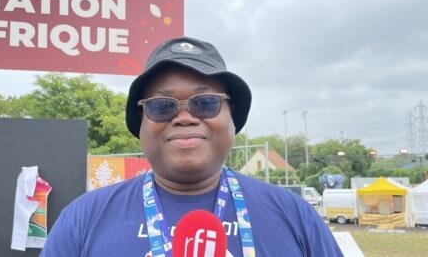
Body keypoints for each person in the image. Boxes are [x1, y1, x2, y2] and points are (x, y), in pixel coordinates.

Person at [40, 36, 343, 256]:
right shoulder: (83, 218)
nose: (184, 118)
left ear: (231, 118)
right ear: (142, 122)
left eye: (206, 103)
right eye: (162, 106)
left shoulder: (295, 215)